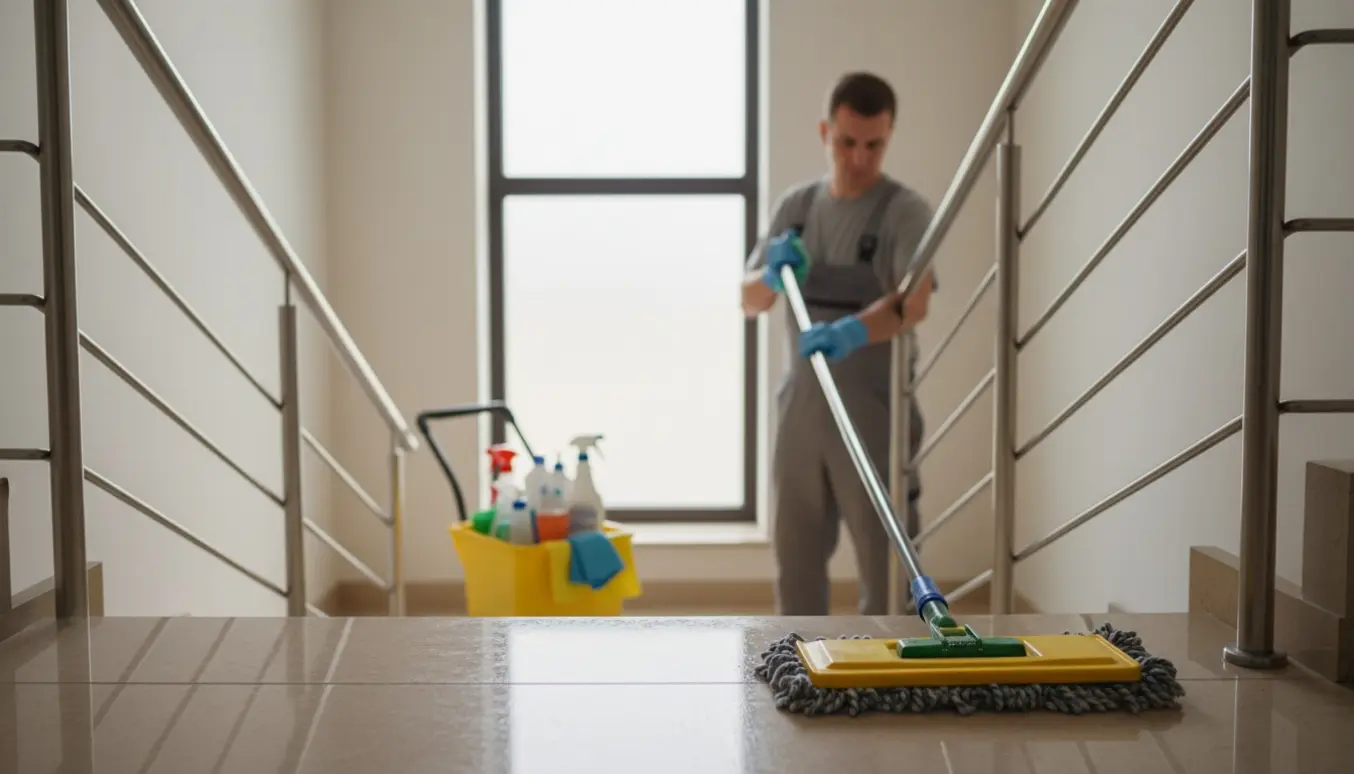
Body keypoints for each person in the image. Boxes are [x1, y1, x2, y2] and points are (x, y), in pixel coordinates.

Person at [741, 71, 937, 615]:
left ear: (889, 136)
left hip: (875, 417)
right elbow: (749, 299)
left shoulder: (904, 211)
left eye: (874, 145)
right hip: (802, 415)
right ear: (825, 132)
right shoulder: (797, 210)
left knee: (887, 569)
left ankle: (893, 680)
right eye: (847, 142)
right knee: (797, 561)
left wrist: (851, 331)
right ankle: (800, 674)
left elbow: (913, 300)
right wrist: (772, 276)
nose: (859, 158)